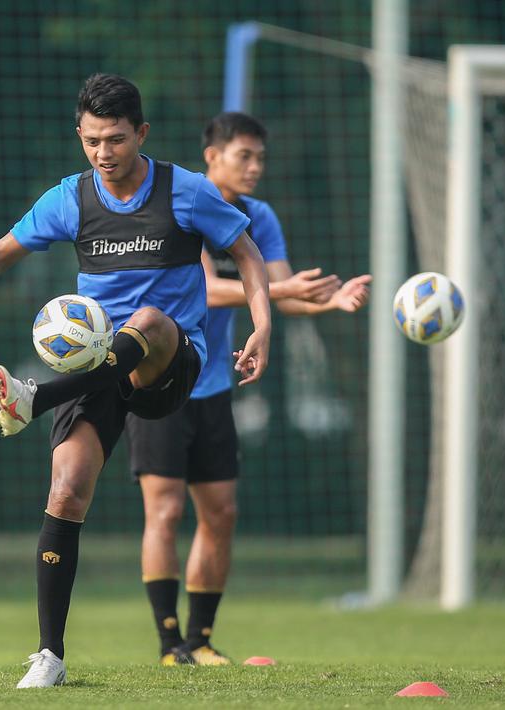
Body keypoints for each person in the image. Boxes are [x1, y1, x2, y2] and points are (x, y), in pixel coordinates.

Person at [0, 76, 274, 688]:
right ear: (79, 138)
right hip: (98, 368)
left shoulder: (185, 192)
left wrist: (262, 327)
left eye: (115, 139)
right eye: (91, 142)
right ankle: (50, 656)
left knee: (149, 320)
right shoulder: (69, 198)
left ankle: (38, 396)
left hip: (171, 364)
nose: (103, 153)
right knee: (66, 491)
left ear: (141, 134)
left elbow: (246, 252)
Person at [124, 112, 371, 666]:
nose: (256, 166)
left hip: (212, 388)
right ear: (211, 157)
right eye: (244, 156)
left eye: (261, 157)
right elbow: (209, 290)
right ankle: (169, 645)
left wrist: (328, 300)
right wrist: (283, 288)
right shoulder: (185, 205)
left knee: (222, 514)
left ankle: (200, 640)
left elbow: (277, 293)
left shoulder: (259, 216)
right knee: (163, 513)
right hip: (160, 383)